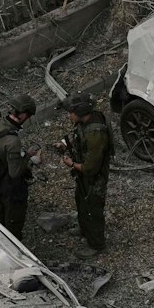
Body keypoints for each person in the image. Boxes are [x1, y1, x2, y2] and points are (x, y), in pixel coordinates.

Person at [60, 94, 112, 252]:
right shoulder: (84, 122)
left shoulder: (95, 132)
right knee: (81, 201)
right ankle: (84, 230)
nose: (69, 116)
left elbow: (91, 167)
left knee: (93, 209)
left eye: (71, 112)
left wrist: (72, 164)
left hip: (93, 178)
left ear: (81, 112)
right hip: (83, 175)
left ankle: (96, 245)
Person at [0, 95, 36, 239]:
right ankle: (15, 248)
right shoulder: (13, 141)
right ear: (24, 115)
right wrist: (27, 156)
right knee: (13, 220)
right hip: (8, 186)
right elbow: (14, 173)